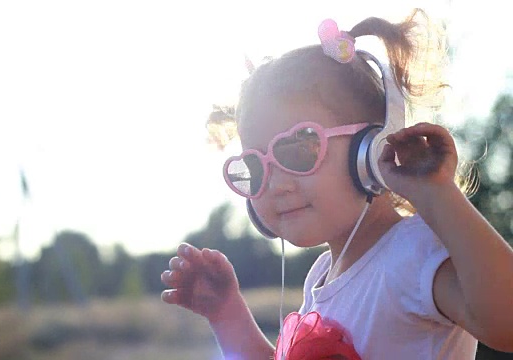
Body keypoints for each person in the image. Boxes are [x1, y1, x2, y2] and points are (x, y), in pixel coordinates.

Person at [160, 9, 513, 360]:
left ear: (371, 151)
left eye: (299, 149)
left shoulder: (413, 254)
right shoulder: (321, 276)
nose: (276, 185)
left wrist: (439, 194)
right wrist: (227, 314)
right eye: (254, 166)